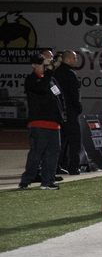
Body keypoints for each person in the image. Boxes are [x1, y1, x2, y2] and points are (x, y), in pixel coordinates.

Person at [18, 52, 66, 190]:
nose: (44, 67)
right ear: (33, 65)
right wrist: (50, 72)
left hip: (54, 123)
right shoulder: (31, 80)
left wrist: (63, 114)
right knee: (37, 153)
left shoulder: (51, 79)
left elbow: (59, 96)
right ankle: (26, 180)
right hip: (39, 123)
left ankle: (47, 181)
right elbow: (42, 89)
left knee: (53, 153)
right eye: (41, 64)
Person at [54, 50, 83, 174]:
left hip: (60, 112)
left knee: (62, 141)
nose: (76, 61)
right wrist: (78, 108)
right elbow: (74, 95)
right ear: (68, 59)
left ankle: (57, 166)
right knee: (75, 141)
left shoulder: (55, 73)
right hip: (71, 112)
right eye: (74, 58)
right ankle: (74, 167)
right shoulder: (70, 74)